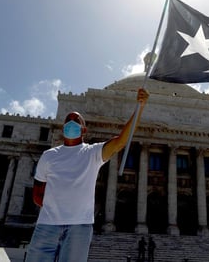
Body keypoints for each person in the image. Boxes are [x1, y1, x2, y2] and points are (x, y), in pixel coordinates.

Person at [25, 88, 149, 262]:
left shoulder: (92, 153)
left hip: (79, 227)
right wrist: (55, 208)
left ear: (84, 130)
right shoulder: (49, 155)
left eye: (76, 120)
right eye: (68, 121)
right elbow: (37, 195)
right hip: (47, 225)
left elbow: (120, 142)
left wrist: (140, 107)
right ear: (62, 128)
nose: (71, 123)